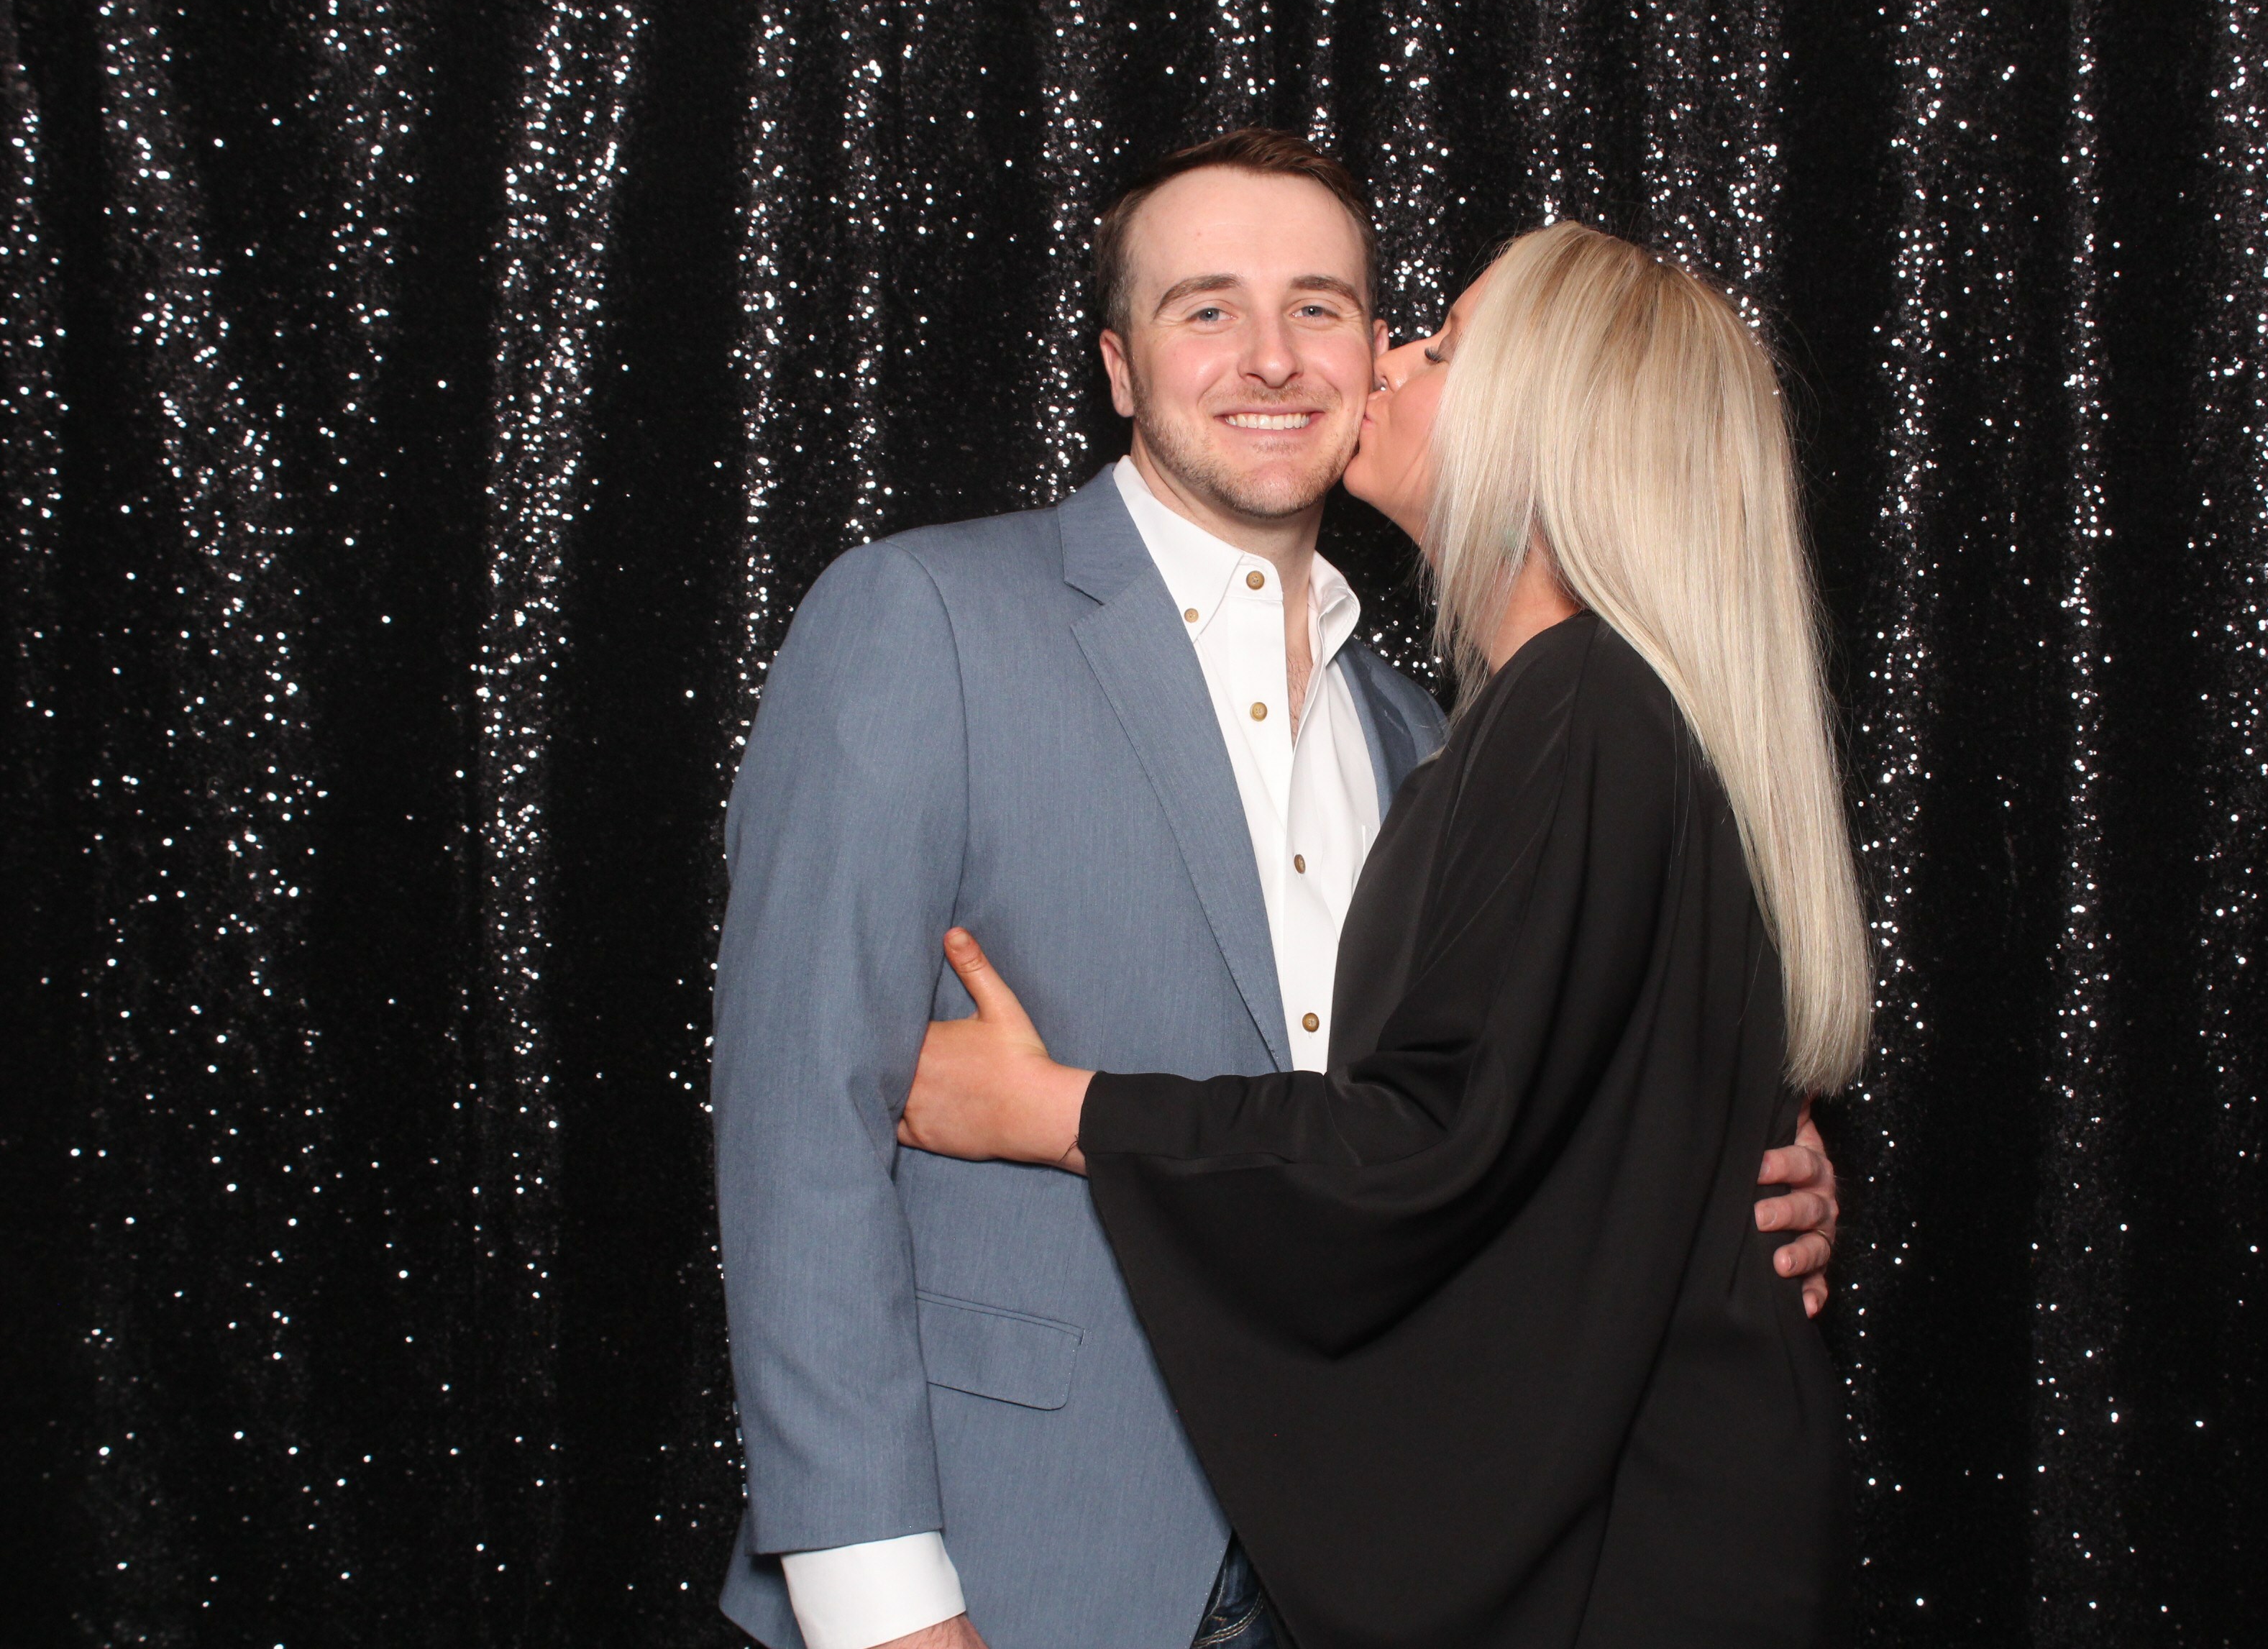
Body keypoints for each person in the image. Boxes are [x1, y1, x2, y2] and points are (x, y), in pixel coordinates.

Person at [712, 132, 1844, 1649]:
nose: (1272, 356)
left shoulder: (1432, 735)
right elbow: (796, 1123)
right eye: (1207, 308)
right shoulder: (922, 619)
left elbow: (1471, 1136)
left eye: (1322, 307)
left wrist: (1729, 1162)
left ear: (1371, 353)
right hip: (1011, 1571)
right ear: (1119, 367)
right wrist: (877, 1599)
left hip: (1355, 1575)